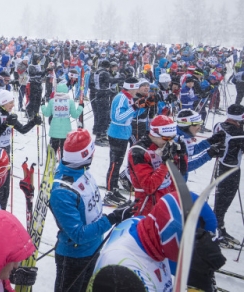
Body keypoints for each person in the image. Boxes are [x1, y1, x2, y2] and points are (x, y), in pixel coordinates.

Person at [89, 192, 225, 292]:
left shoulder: (147, 229)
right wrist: (198, 282)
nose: (190, 254)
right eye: (191, 244)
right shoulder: (123, 271)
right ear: (173, 232)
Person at [50, 129, 133, 292]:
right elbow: (79, 235)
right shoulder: (62, 191)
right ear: (87, 155)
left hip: (94, 248)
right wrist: (112, 218)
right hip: (74, 257)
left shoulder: (81, 170)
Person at [0, 90, 41, 209]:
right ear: (4, 102)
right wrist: (5, 125)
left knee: (5, 190)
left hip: (5, 154)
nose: (13, 105)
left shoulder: (8, 115)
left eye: (13, 101)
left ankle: (2, 213)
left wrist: (33, 122)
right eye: (11, 102)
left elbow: (22, 129)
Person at [126, 115, 184, 216]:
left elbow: (179, 173)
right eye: (166, 138)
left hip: (166, 202)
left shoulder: (165, 146)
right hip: (147, 206)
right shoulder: (138, 151)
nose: (169, 142)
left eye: (172, 138)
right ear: (154, 134)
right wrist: (165, 163)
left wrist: (182, 156)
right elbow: (149, 187)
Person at [104, 77, 145, 206]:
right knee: (114, 164)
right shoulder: (121, 97)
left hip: (123, 133)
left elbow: (130, 115)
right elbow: (117, 117)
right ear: (132, 87)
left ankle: (114, 189)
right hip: (117, 133)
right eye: (137, 87)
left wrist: (142, 107)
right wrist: (134, 107)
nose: (138, 90)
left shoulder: (128, 98)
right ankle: (110, 192)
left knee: (118, 163)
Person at [212, 103, 244, 246]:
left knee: (221, 201)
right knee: (222, 203)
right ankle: (216, 231)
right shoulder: (238, 132)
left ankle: (219, 228)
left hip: (221, 167)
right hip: (231, 170)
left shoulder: (220, 125)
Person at [41, 81, 84, 156]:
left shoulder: (52, 101)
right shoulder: (70, 102)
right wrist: (80, 107)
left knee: (53, 148)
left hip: (55, 129)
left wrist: (42, 105)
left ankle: (51, 162)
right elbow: (75, 115)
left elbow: (46, 113)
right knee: (64, 150)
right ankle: (63, 163)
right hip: (65, 130)